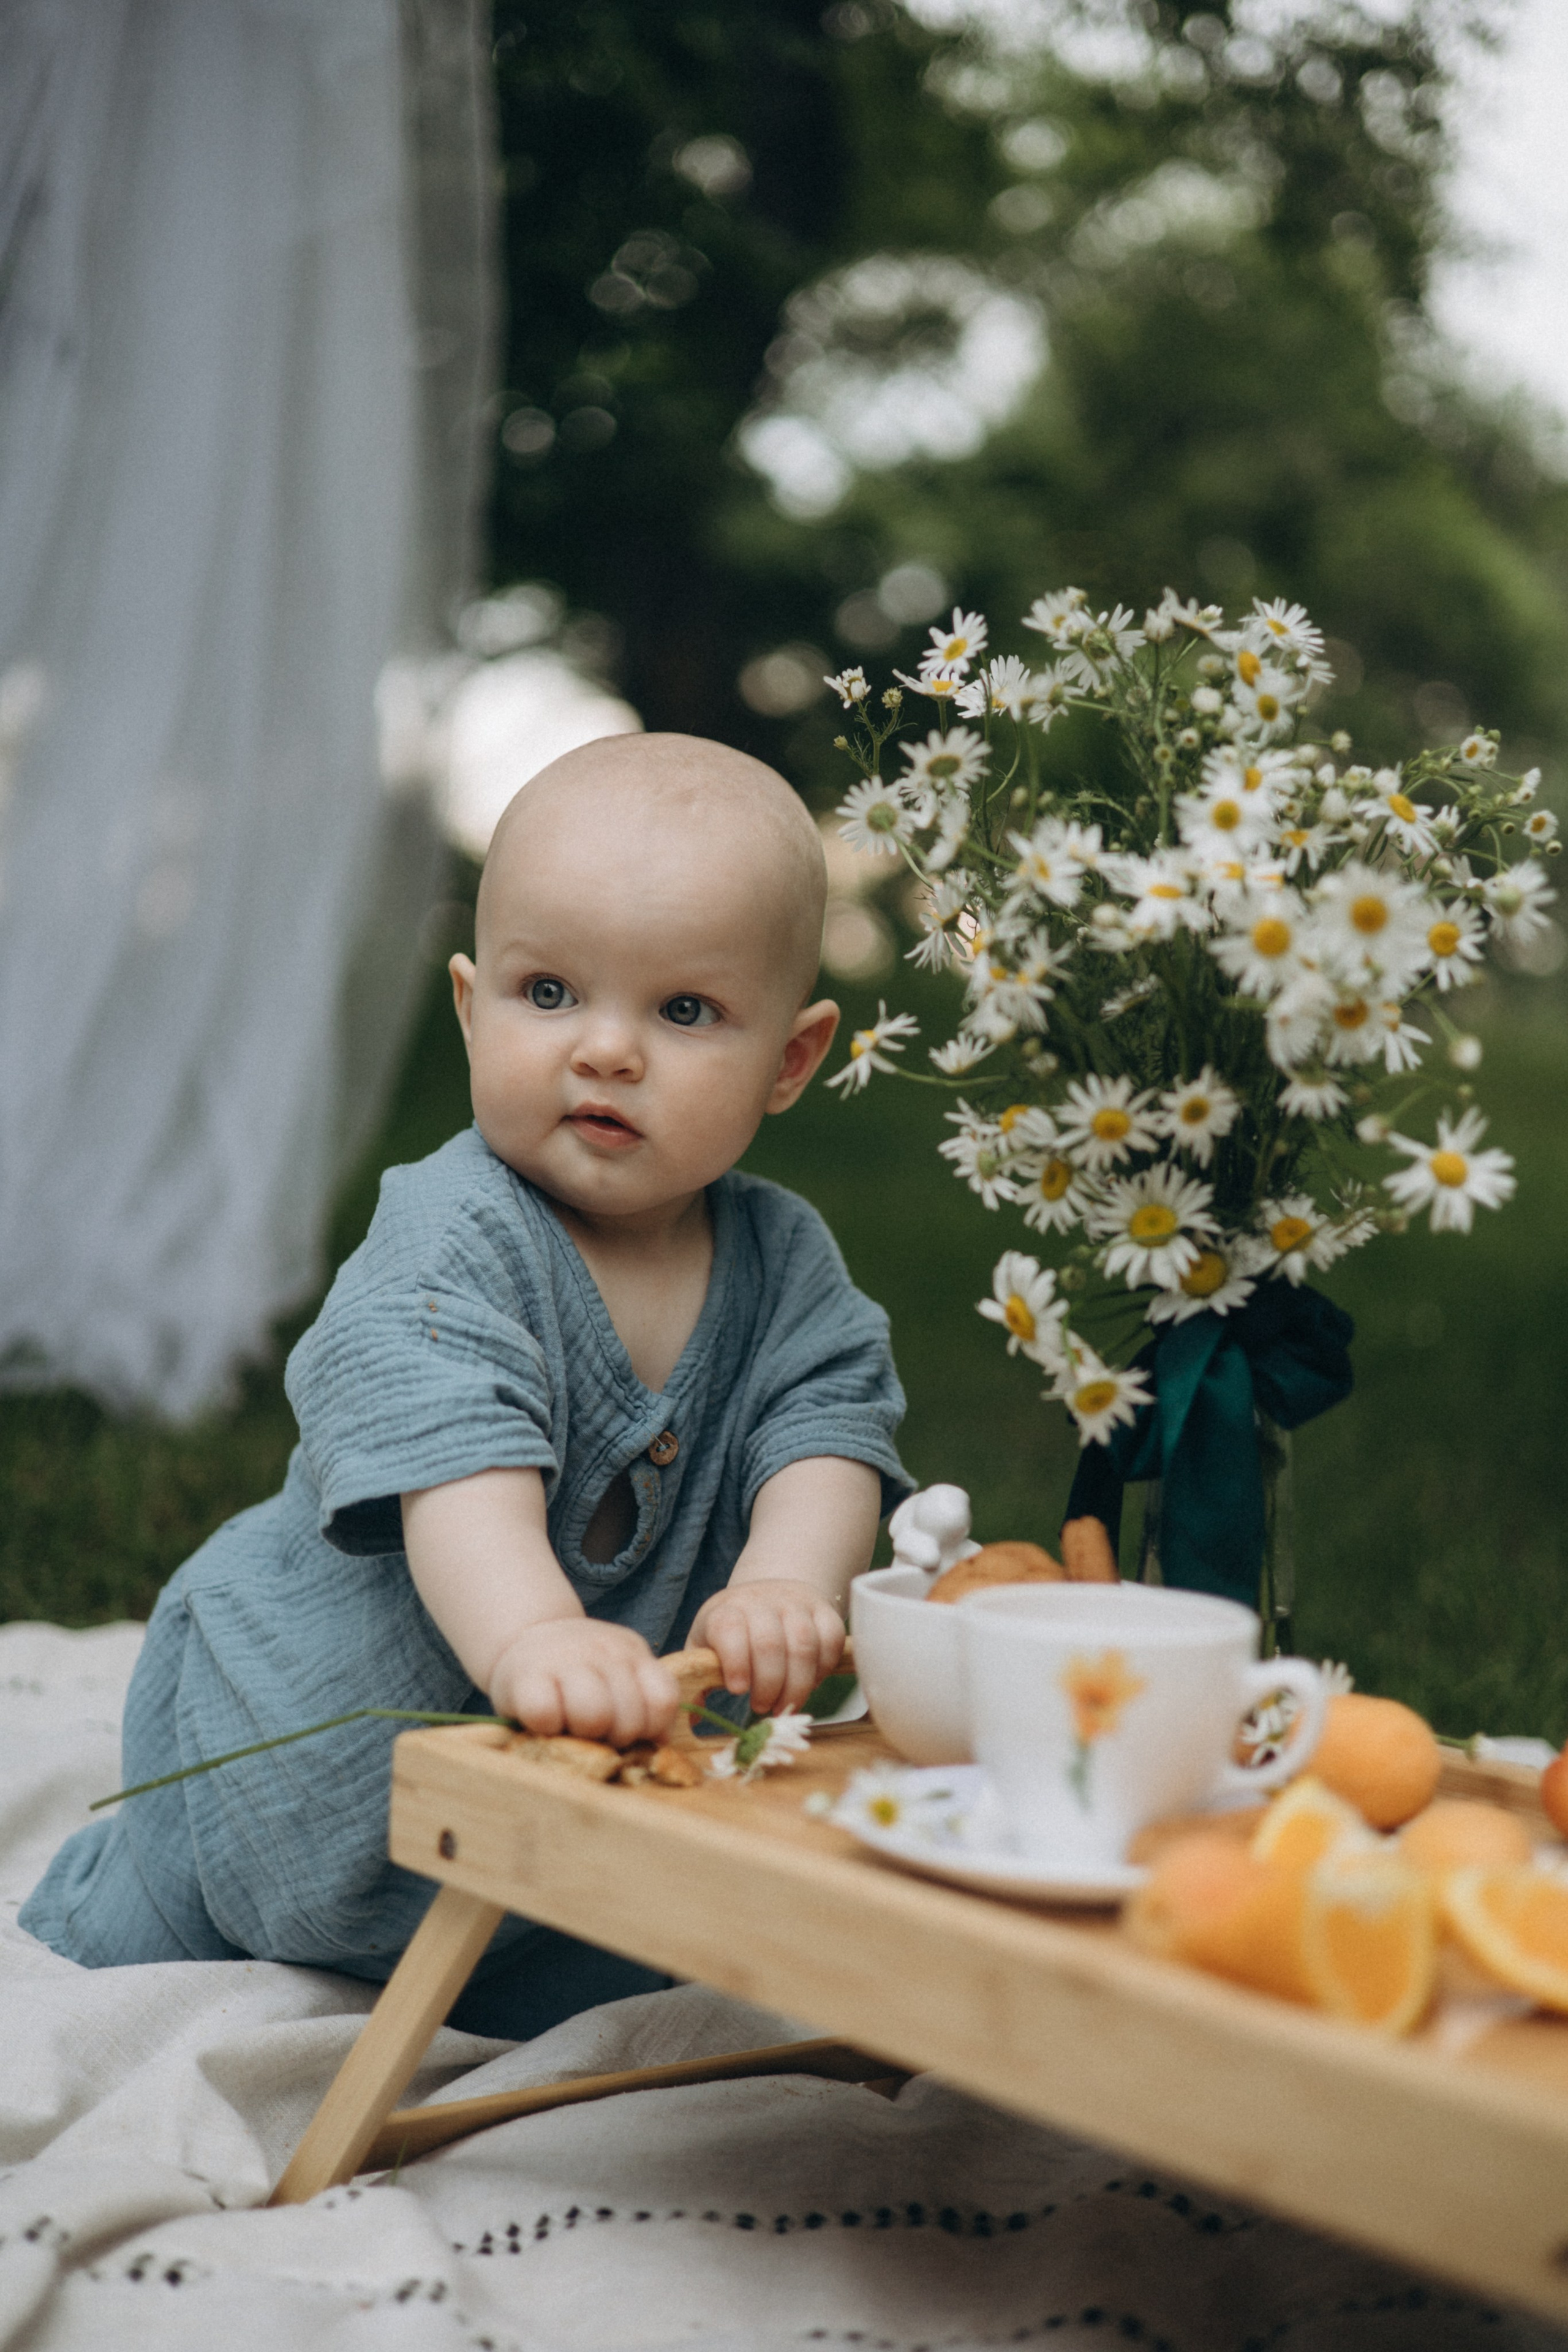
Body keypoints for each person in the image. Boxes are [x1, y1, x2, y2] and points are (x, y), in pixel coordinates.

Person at [21, 734, 911, 2038]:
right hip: (294, 1745)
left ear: (790, 1057)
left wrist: (784, 1581)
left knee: (610, 1987)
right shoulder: (452, 1232)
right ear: (469, 1004)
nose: (605, 1050)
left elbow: (825, 1427)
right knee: (147, 1944)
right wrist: (533, 1638)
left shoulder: (783, 1263)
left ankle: (513, 2001)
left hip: (554, 1817)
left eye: (682, 1013)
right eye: (548, 992)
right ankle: (111, 1934)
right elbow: (454, 1465)